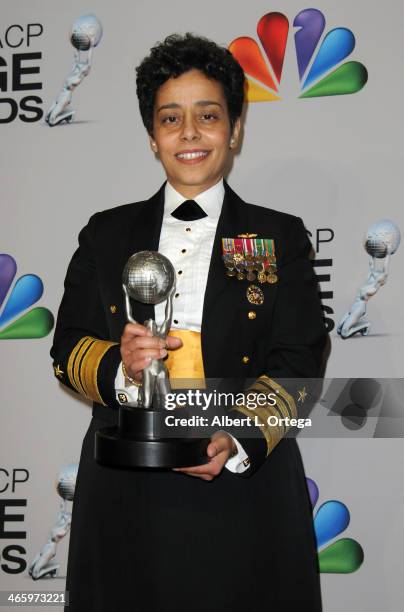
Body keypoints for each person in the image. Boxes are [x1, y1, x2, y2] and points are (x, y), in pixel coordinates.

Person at [51, 33, 327, 612]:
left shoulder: (277, 236)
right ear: (152, 138)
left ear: (235, 128)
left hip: (245, 486)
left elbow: (301, 363)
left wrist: (237, 438)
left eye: (208, 115)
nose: (190, 133)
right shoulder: (106, 233)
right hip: (127, 489)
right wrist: (125, 370)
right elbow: (68, 349)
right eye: (170, 118)